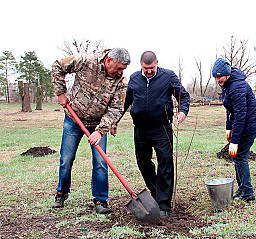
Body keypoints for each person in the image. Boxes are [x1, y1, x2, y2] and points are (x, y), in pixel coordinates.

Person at [51, 48, 130, 214]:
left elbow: (115, 109)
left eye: (123, 69)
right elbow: (58, 65)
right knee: (66, 159)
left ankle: (100, 201)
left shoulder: (121, 82)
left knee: (101, 163)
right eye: (119, 68)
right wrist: (60, 92)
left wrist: (100, 131)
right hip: (73, 120)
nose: (121, 72)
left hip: (97, 124)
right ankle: (61, 193)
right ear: (109, 61)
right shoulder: (86, 61)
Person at [114, 51, 190, 218]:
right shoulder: (134, 79)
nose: (149, 71)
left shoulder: (168, 76)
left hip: (162, 128)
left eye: (151, 68)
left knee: (165, 163)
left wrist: (183, 111)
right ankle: (156, 192)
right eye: (145, 68)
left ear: (157, 63)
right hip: (141, 129)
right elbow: (124, 103)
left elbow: (183, 95)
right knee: (143, 163)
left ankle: (163, 205)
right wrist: (115, 122)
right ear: (141, 65)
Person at [212, 58, 256, 202]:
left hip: (249, 125)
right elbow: (230, 110)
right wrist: (228, 128)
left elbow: (241, 115)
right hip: (242, 124)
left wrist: (234, 141)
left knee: (240, 156)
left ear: (227, 74)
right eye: (215, 77)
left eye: (219, 76)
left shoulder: (237, 87)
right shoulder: (227, 85)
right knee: (237, 157)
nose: (217, 80)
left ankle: (247, 192)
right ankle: (242, 189)